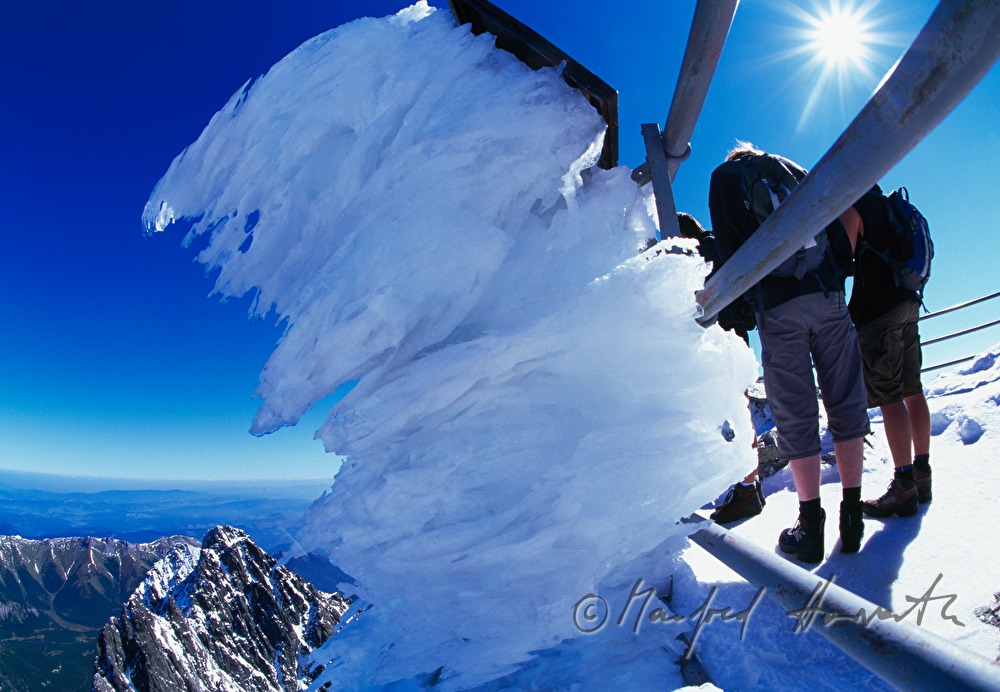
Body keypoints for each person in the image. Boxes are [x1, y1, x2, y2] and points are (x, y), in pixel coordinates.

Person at [708, 142, 870, 563]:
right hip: (828, 293)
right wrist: (837, 275)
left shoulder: (725, 179)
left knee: (797, 411)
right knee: (846, 400)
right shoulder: (791, 168)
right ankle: (852, 516)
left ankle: (810, 526)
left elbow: (730, 247)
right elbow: (839, 213)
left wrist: (744, 308)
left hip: (778, 305)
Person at [840, 187, 932, 517]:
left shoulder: (856, 203)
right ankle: (922, 475)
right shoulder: (891, 205)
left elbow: (843, 260)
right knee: (912, 390)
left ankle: (903, 486)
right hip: (907, 305)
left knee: (889, 396)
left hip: (878, 313)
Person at [676, 212, 764, 521]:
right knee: (735, 412)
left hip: (722, 340)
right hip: (733, 336)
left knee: (732, 414)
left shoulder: (705, 250)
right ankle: (747, 486)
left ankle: (747, 488)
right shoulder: (718, 244)